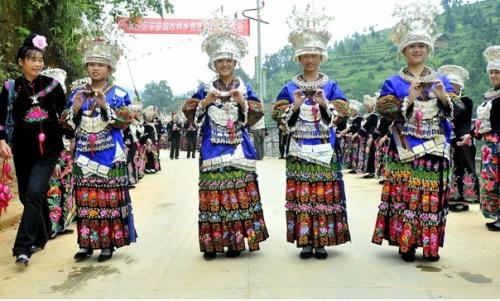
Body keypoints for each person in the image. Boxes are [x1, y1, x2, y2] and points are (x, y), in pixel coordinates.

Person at [371, 3, 463, 262]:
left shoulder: (441, 79)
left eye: (422, 46)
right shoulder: (393, 81)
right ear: (404, 51)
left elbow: (455, 109)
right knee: (405, 194)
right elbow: (385, 110)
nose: (417, 50)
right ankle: (406, 243)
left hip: (435, 146)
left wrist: (444, 97)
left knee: (432, 196)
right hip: (404, 148)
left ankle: (430, 245)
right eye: (412, 46)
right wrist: (408, 100)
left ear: (428, 49)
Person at [183, 11, 269, 259]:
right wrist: (205, 102)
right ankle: (212, 243)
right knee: (214, 196)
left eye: (228, 61)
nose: (225, 65)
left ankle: (235, 243)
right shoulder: (204, 89)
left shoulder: (246, 88)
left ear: (235, 62)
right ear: (213, 64)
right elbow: (191, 116)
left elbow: (255, 114)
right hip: (212, 148)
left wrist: (243, 102)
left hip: (238, 147)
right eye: (220, 61)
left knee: (238, 194)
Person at [273, 7, 351, 259]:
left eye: (314, 55)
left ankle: (322, 241)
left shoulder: (331, 85)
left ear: (321, 57)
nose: (310, 60)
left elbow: (343, 112)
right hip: (299, 150)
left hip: (324, 149)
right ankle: (305, 240)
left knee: (323, 193)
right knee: (303, 193)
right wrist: (294, 106)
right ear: (298, 57)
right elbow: (278, 116)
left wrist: (325, 103)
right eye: (305, 55)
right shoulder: (289, 87)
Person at [62, 37, 137, 262]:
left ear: (109, 68)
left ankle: (107, 243)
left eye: (100, 64)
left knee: (109, 200)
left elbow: (125, 121)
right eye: (92, 64)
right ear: (86, 66)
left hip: (110, 153)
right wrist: (74, 108)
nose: (95, 68)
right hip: (84, 152)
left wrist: (105, 106)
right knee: (86, 199)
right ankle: (86, 243)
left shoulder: (119, 93)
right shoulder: (77, 91)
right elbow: (66, 126)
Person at [0, 33, 72, 266]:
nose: (38, 63)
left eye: (40, 59)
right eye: (32, 59)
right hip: (22, 150)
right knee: (26, 196)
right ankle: (41, 236)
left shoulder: (53, 86)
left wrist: (72, 123)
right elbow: (1, 119)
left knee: (33, 193)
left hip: (48, 151)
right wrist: (1, 140)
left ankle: (22, 247)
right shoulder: (11, 87)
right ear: (21, 62)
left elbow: (65, 118)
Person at [437, 65, 479, 212]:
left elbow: (464, 120)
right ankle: (451, 197)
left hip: (462, 136)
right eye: (450, 85)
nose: (453, 88)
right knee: (451, 167)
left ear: (459, 86)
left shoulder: (466, 100)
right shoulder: (443, 101)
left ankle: (464, 199)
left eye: (455, 85)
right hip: (448, 137)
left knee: (464, 166)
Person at [472, 46, 500, 231]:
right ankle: (496, 214)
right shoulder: (489, 96)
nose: (493, 75)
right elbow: (482, 124)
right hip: (490, 146)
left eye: (497, 72)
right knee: (491, 181)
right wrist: (472, 134)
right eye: (491, 72)